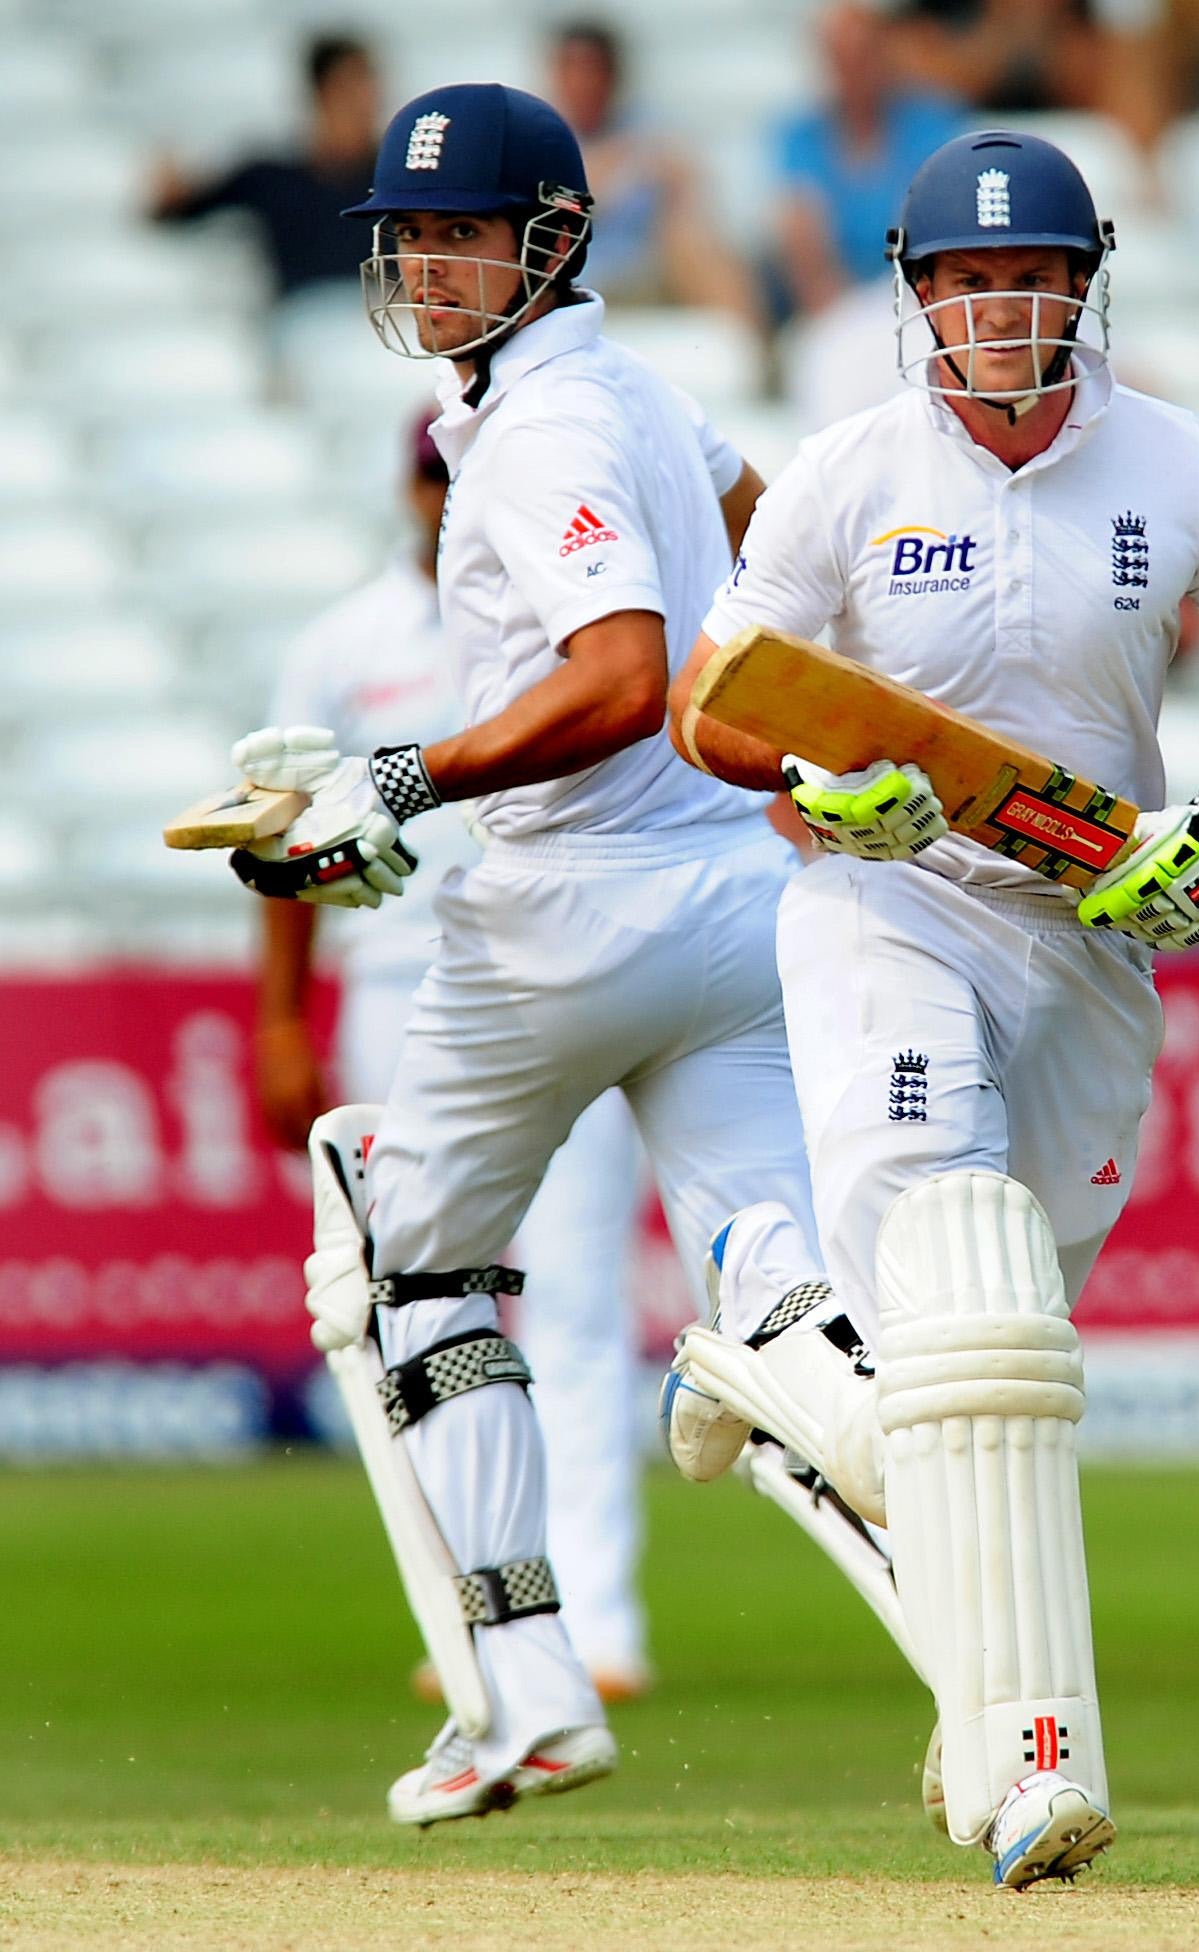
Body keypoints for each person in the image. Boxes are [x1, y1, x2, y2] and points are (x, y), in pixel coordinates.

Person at [665, 130, 1199, 1887]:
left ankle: (775, 1338)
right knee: (966, 1305)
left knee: (994, 1352)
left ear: (1080, 282)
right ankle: (1031, 1772)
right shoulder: (844, 471)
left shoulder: (1175, 464)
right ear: (912, 294)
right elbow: (705, 706)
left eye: (1023, 275)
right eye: (958, 281)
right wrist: (809, 769)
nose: (992, 307)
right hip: (890, 898)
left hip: (1091, 928)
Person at [225, 83, 827, 1826]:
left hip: (565, 912)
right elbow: (762, 521)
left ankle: (527, 1688)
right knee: (793, 1288)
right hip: (734, 896)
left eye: (459, 232)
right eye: (404, 236)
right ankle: (1012, 1723)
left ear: (550, 242)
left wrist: (396, 778)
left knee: (406, 1261)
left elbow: (619, 674)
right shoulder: (625, 390)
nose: (422, 262)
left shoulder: (550, 425)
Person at [253, 408, 651, 1699]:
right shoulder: (342, 646)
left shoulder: (563, 614)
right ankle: (475, 1611)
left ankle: (595, 1613)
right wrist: (276, 1016)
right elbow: (282, 832)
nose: (440, 498)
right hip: (395, 977)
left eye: (458, 476)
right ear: (404, 485)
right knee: (424, 1297)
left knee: (579, 1294)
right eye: (428, 477)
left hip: (555, 961)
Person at [546, 19, 758, 323]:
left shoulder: (648, 126)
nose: (584, 82)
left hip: (645, 272)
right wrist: (609, 175)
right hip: (573, 277)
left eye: (593, 70)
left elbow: (691, 185)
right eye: (574, 70)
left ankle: (749, 347)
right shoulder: (539, 137)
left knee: (690, 236)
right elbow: (556, 205)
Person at [148, 33, 381, 305]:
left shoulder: (400, 177)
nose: (365, 102)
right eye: (350, 89)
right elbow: (178, 212)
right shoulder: (271, 177)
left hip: (383, 320)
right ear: (320, 93)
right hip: (303, 317)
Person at [772, 2, 966, 319]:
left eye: (863, 56)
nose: (854, 70)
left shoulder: (933, 123)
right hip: (832, 303)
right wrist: (841, 319)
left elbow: (939, 228)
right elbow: (803, 239)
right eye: (841, 58)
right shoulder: (800, 135)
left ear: (884, 54)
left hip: (918, 299)